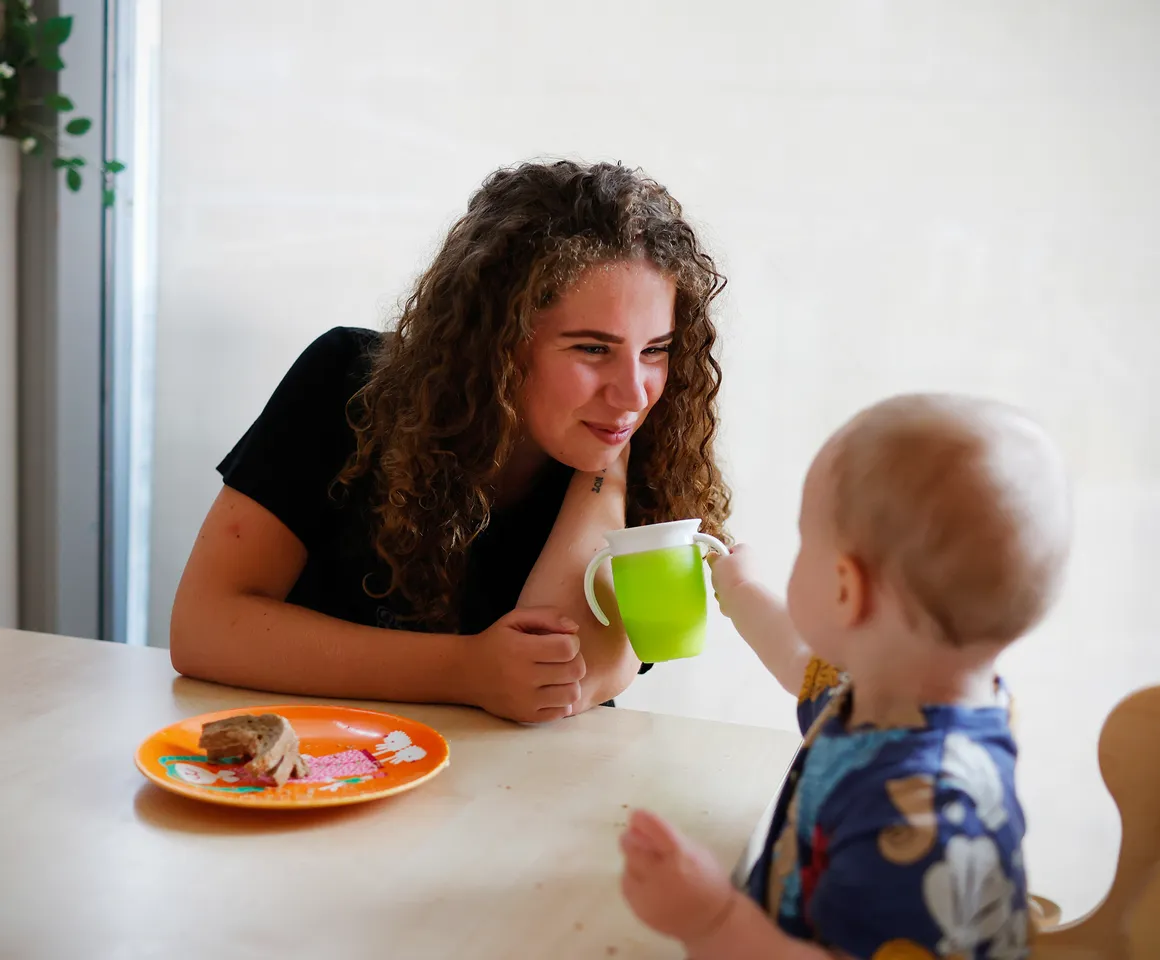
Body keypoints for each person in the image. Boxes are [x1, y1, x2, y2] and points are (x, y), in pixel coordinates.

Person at [170, 159, 732, 724]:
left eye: (655, 350)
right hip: (325, 760)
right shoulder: (345, 382)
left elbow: (563, 678)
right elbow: (205, 628)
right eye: (592, 349)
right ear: (498, 342)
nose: (634, 392)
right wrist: (466, 670)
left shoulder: (651, 459)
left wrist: (606, 469)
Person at [619, 393, 1072, 959]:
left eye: (805, 541)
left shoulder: (921, 815)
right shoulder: (895, 694)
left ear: (844, 589)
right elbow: (797, 658)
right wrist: (741, 592)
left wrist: (712, 919)